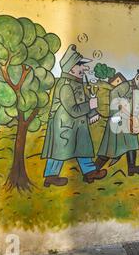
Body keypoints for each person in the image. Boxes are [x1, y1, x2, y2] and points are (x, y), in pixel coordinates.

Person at [41, 44, 107, 187]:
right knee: (59, 152)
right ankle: (51, 176)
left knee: (83, 148)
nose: (85, 69)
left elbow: (81, 103)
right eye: (81, 65)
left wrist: (91, 113)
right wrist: (91, 105)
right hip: (64, 126)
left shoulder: (76, 83)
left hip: (77, 125)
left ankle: (89, 173)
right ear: (71, 68)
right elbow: (73, 109)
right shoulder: (65, 85)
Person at [95, 64, 139, 176]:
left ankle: (131, 168)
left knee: (131, 143)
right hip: (117, 120)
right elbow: (114, 94)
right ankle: (93, 170)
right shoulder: (126, 85)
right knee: (109, 149)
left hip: (131, 122)